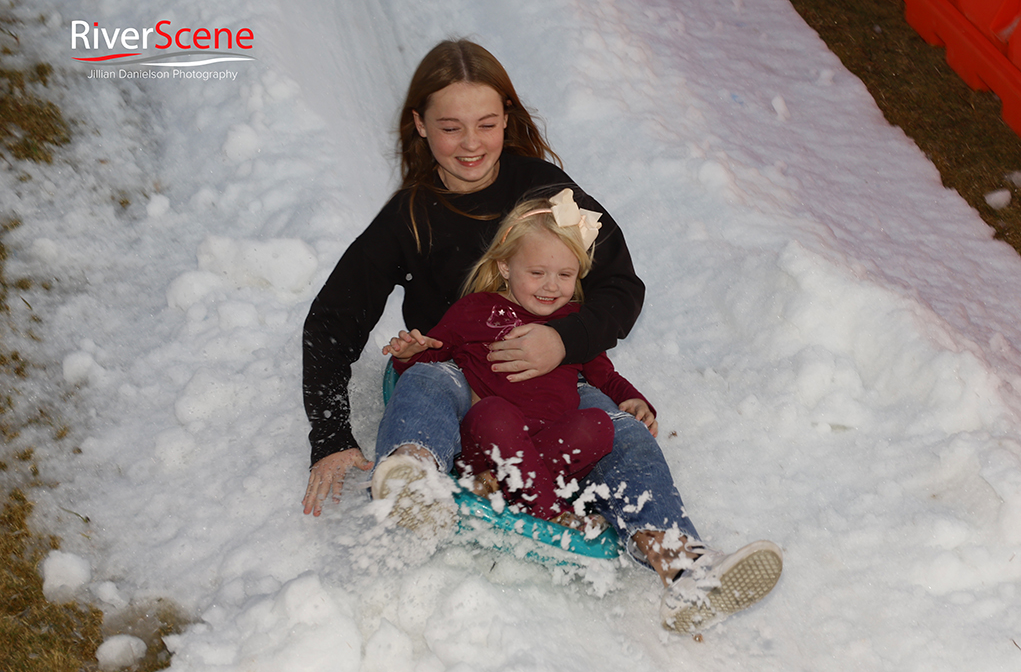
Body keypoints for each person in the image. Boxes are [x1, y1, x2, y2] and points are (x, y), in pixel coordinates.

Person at [301, 38, 782, 633]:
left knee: (623, 434)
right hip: (459, 369)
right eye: (451, 127)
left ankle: (683, 568)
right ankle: (414, 477)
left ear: (508, 118)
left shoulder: (547, 194)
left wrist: (564, 341)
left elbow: (620, 288)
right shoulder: (411, 215)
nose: (471, 143)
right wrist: (328, 434)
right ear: (420, 126)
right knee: (423, 379)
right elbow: (332, 321)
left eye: (486, 123)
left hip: (552, 373)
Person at [382, 191, 658, 531]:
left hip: (551, 445)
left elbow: (603, 373)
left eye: (565, 275)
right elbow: (433, 355)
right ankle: (550, 512)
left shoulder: (573, 322)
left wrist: (632, 398)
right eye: (537, 272)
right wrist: (410, 353)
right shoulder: (477, 309)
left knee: (600, 425)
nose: (551, 286)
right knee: (494, 412)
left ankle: (497, 485)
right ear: (505, 267)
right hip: (487, 442)